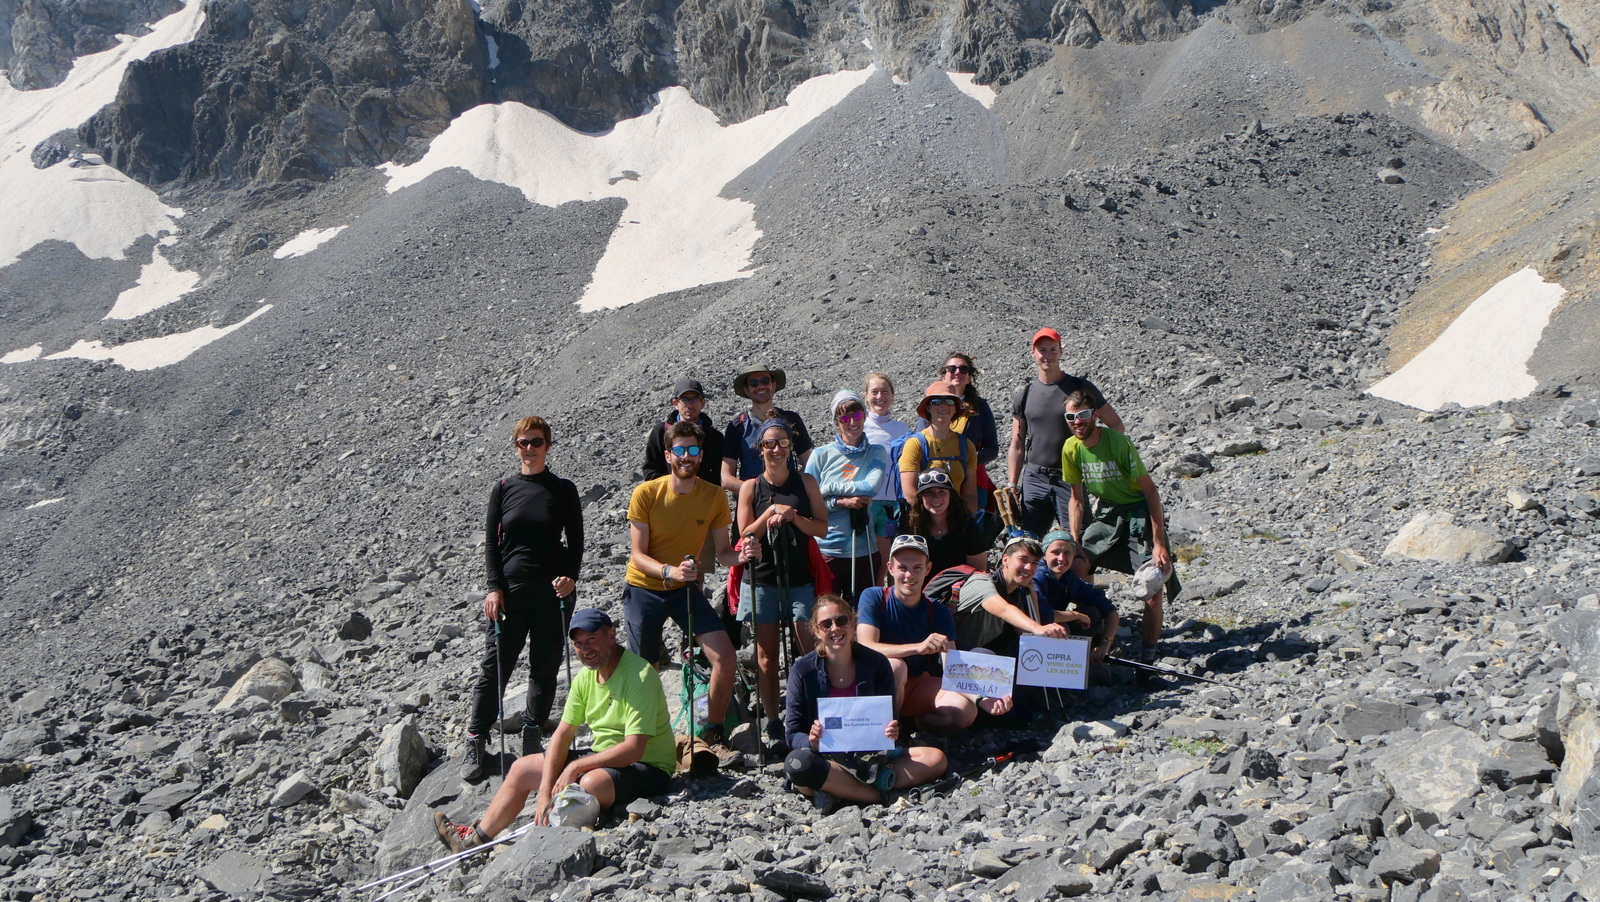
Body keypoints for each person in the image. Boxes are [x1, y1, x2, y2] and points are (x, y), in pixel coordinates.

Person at [433, 610, 675, 852]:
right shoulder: (585, 677)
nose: (585, 649)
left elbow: (634, 749)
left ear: (611, 635)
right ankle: (473, 841)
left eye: (591, 639)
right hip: (605, 759)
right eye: (578, 644)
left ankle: (557, 839)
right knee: (522, 768)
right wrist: (544, 792)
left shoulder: (639, 675)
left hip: (649, 767)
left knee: (590, 782)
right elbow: (562, 735)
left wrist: (575, 767)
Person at [461, 416, 583, 781]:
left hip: (552, 591)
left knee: (544, 666)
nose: (529, 448)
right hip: (510, 594)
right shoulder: (502, 488)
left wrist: (570, 579)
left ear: (548, 445)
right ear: (515, 447)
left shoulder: (563, 489)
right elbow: (492, 545)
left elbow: (575, 542)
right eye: (522, 442)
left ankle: (532, 732)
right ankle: (476, 736)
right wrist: (493, 587)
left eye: (536, 442)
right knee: (495, 666)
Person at [625, 421, 756, 752]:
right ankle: (649, 741)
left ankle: (712, 732)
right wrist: (670, 571)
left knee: (725, 657)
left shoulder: (712, 497)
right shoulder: (646, 494)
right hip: (645, 587)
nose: (687, 457)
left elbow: (725, 552)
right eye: (680, 450)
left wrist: (743, 554)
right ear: (668, 455)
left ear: (701, 455)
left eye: (693, 450)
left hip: (683, 588)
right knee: (647, 670)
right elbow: (638, 555)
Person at [782, 596, 949, 813]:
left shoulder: (876, 663)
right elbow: (792, 732)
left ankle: (839, 791)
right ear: (816, 631)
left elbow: (889, 718)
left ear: (852, 624)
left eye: (841, 621)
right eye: (826, 624)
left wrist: (892, 731)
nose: (835, 628)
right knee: (798, 764)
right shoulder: (803, 670)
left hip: (874, 759)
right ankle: (876, 795)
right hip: (827, 759)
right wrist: (812, 742)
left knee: (936, 758)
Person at [1060, 389, 1177, 662]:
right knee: (1075, 567)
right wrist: (1075, 541)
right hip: (1109, 514)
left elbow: (1151, 491)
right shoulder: (1070, 449)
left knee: (1152, 584)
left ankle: (1147, 656)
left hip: (1138, 512)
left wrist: (1159, 543)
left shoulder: (1117, 443)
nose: (1078, 422)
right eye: (1071, 417)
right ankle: (1088, 640)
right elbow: (1077, 500)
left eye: (1083, 415)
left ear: (1095, 415)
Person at [857, 535, 1012, 732]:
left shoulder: (937, 611)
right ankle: (881, 734)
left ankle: (908, 726)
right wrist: (918, 648)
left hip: (918, 684)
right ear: (890, 568)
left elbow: (953, 667)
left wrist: (982, 698)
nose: (909, 576)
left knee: (965, 712)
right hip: (878, 682)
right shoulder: (874, 597)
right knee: (896, 666)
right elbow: (866, 646)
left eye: (917, 568)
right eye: (903, 568)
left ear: (928, 569)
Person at [738, 419, 828, 742]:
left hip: (800, 576)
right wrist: (771, 512)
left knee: (810, 648)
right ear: (760, 449)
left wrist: (793, 516)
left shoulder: (806, 483)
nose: (776, 450)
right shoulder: (750, 487)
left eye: (782, 444)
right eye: (769, 444)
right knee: (765, 655)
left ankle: (812, 713)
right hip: (761, 578)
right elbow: (746, 534)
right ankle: (774, 720)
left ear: (790, 447)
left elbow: (821, 528)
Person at [1007, 328, 1123, 538]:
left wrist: (1096, 462)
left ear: (1061, 351)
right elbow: (1017, 443)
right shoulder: (1024, 395)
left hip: (1070, 477)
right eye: (1042, 350)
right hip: (1034, 476)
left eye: (1053, 349)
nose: (1047, 355)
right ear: (1033, 352)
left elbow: (1116, 426)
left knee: (1078, 540)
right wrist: (1013, 484)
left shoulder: (1079, 387)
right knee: (1028, 542)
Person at [805, 390, 890, 603]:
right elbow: (807, 504)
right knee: (827, 615)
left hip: (864, 550)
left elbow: (871, 486)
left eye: (857, 415)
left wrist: (827, 489)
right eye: (844, 418)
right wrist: (838, 502)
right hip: (827, 550)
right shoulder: (820, 455)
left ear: (864, 415)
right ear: (836, 421)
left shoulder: (876, 452)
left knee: (862, 616)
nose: (852, 422)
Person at [952, 535, 1067, 658]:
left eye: (1035, 563)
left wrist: (1032, 593)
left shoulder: (1016, 594)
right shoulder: (981, 583)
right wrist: (1038, 628)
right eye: (1023, 559)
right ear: (1005, 560)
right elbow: (1004, 609)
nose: (1029, 567)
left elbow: (1031, 638)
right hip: (950, 655)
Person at [722, 365, 814, 490]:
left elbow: (810, 463)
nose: (760, 386)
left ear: (773, 385)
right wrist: (757, 493)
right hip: (753, 504)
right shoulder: (738, 425)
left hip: (790, 498)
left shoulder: (791, 419)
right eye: (754, 383)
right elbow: (726, 478)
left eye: (765, 381)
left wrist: (798, 487)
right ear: (747, 390)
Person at [1037, 530, 1119, 668]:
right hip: (1029, 633)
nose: (1061, 558)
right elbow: (1043, 615)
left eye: (1067, 553)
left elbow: (1111, 611)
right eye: (1055, 552)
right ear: (1044, 555)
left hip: (1054, 630)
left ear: (1074, 556)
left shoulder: (1069, 578)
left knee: (1092, 612)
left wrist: (1106, 642)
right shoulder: (1037, 576)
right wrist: (1076, 615)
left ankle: (1079, 659)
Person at [898, 381, 980, 513]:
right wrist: (934, 517)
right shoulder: (915, 444)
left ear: (955, 409)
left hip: (956, 521)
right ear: (928, 408)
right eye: (936, 401)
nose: (944, 406)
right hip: (923, 520)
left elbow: (970, 494)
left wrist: (964, 521)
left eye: (950, 402)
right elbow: (910, 493)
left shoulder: (966, 446)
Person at [862, 373, 910, 580]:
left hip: (892, 505)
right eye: (874, 391)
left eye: (885, 391)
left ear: (892, 396)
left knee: (887, 562)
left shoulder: (902, 429)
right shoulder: (859, 427)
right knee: (865, 560)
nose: (879, 396)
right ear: (866, 396)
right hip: (865, 501)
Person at [898, 469, 989, 573]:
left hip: (960, 587)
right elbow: (901, 568)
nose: (936, 498)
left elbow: (979, 572)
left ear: (951, 495)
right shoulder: (911, 526)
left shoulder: (967, 526)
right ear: (921, 498)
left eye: (942, 492)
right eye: (929, 493)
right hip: (920, 587)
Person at [641, 378, 725, 486]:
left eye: (694, 399)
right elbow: (651, 470)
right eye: (684, 399)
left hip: (702, 499)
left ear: (702, 403)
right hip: (667, 498)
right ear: (675, 403)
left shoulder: (715, 437)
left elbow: (719, 474)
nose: (689, 405)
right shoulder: (660, 432)